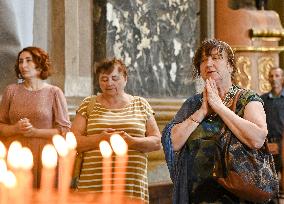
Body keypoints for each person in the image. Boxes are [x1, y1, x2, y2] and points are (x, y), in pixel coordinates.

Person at [162, 39, 268, 203]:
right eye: (203, 60)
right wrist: (202, 112)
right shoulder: (193, 104)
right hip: (197, 195)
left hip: (238, 195)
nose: (208, 63)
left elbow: (257, 139)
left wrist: (219, 107)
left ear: (230, 66)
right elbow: (173, 143)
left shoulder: (248, 99)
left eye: (216, 58)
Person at [71, 58, 161, 203]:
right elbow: (73, 140)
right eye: (104, 79)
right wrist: (100, 139)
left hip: (131, 185)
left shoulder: (140, 104)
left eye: (114, 78)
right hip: (93, 184)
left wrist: (131, 141)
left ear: (125, 79)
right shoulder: (88, 104)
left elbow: (157, 142)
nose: (109, 83)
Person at [0, 47, 71, 188]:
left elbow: (64, 131)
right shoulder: (11, 91)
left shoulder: (54, 92)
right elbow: (1, 126)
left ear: (40, 64)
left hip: (44, 155)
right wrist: (16, 128)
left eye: (28, 61)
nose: (23, 65)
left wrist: (35, 132)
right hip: (15, 154)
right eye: (20, 61)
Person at [261, 67, 284, 175]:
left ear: (282, 78)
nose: (274, 78)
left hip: (283, 142)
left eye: (277, 75)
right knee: (270, 177)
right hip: (268, 143)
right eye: (271, 76)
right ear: (268, 79)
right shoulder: (262, 99)